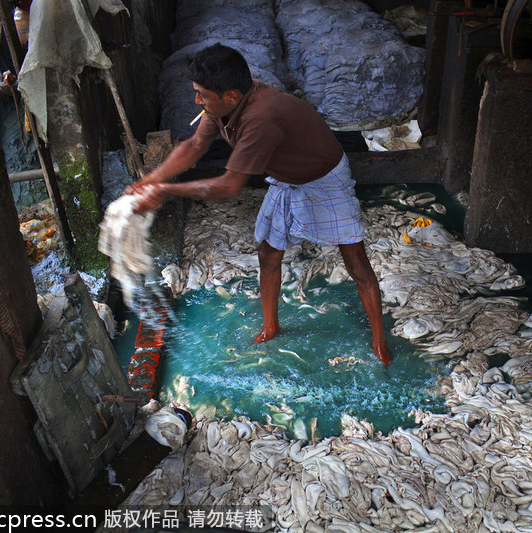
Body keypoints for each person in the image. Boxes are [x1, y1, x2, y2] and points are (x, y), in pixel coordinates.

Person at [126, 44, 392, 366]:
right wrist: (150, 180)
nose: (197, 101)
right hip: (287, 177)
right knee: (268, 253)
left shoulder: (259, 119)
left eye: (202, 94)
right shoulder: (220, 109)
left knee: (355, 261)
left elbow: (229, 186)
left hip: (324, 179)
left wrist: (166, 191)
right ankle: (271, 325)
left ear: (232, 96)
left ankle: (379, 339)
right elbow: (195, 145)